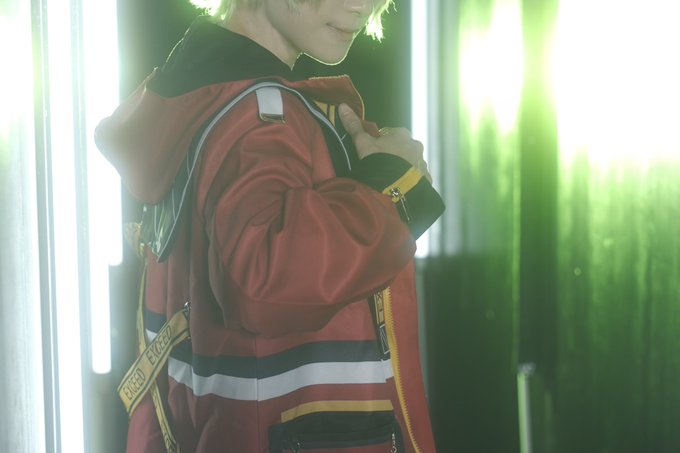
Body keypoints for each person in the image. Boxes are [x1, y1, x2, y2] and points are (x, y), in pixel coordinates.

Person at [96, 0, 444, 451]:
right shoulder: (261, 116)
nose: (364, 4)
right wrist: (390, 186)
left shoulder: (203, 95)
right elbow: (266, 280)